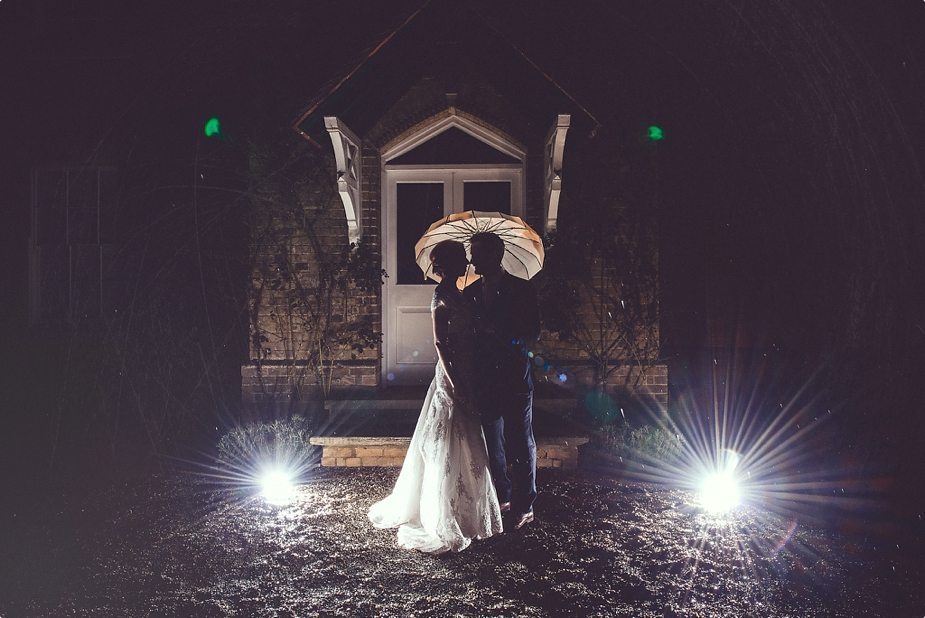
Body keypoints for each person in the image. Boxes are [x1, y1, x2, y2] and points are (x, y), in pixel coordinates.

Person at [368, 240, 503, 554]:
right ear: (449, 265)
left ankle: (469, 508)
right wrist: (455, 382)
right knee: (448, 435)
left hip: (469, 368)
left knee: (469, 437)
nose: (466, 264)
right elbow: (441, 343)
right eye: (460, 260)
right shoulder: (441, 295)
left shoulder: (461, 293)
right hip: (452, 372)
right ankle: (445, 510)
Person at [465, 231, 541, 530]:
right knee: (490, 442)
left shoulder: (522, 290)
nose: (471, 260)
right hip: (484, 378)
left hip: (513, 377)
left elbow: (531, 332)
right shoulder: (469, 292)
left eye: (477, 254)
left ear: (495, 255)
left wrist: (498, 334)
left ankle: (525, 505)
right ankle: (503, 494)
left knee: (520, 442)